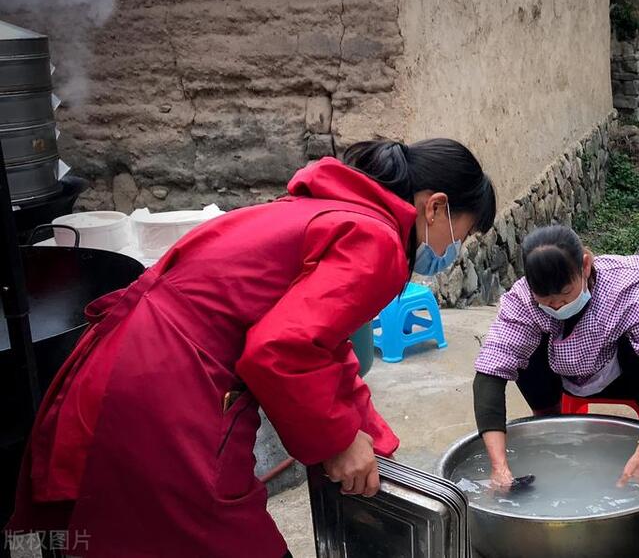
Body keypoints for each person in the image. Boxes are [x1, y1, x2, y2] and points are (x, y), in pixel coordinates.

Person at [7, 139, 495, 557]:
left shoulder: (331, 208)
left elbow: (323, 344)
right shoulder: (378, 240)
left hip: (130, 364)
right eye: (462, 232)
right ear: (436, 206)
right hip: (170, 388)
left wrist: (374, 442)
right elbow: (280, 350)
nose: (454, 247)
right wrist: (339, 441)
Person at [472, 225, 639, 490]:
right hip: (558, 376)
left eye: (565, 293)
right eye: (544, 297)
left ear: (585, 266)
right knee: (521, 350)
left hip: (622, 374)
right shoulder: (522, 300)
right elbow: (490, 373)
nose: (556, 305)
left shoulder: (626, 287)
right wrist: (499, 466)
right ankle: (547, 421)